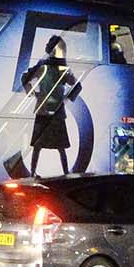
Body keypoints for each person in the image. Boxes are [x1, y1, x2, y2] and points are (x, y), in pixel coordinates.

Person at [19, 36, 82, 178]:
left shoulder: (43, 66)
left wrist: (33, 93)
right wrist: (66, 99)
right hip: (57, 111)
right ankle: (65, 173)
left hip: (42, 109)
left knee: (38, 146)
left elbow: (25, 78)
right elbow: (77, 86)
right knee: (60, 147)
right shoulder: (62, 68)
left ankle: (34, 172)